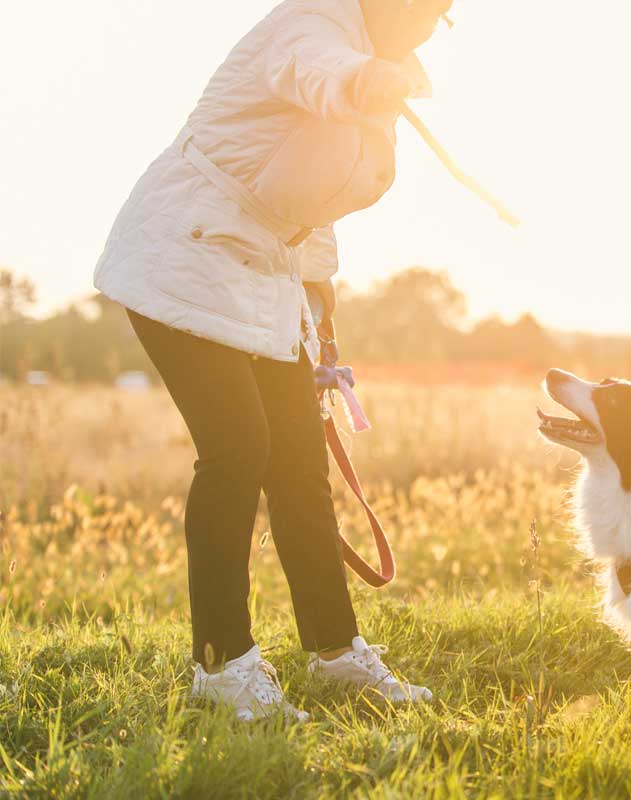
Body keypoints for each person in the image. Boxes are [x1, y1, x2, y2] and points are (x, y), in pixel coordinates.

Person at [93, 0, 454, 722]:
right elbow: (318, 73)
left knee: (298, 465)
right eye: (422, 8)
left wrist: (317, 309)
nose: (428, 24)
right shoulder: (310, 29)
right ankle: (221, 669)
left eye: (440, 16)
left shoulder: (384, 76)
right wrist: (362, 83)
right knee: (238, 453)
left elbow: (312, 202)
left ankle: (335, 652)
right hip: (181, 257)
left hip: (264, 280)